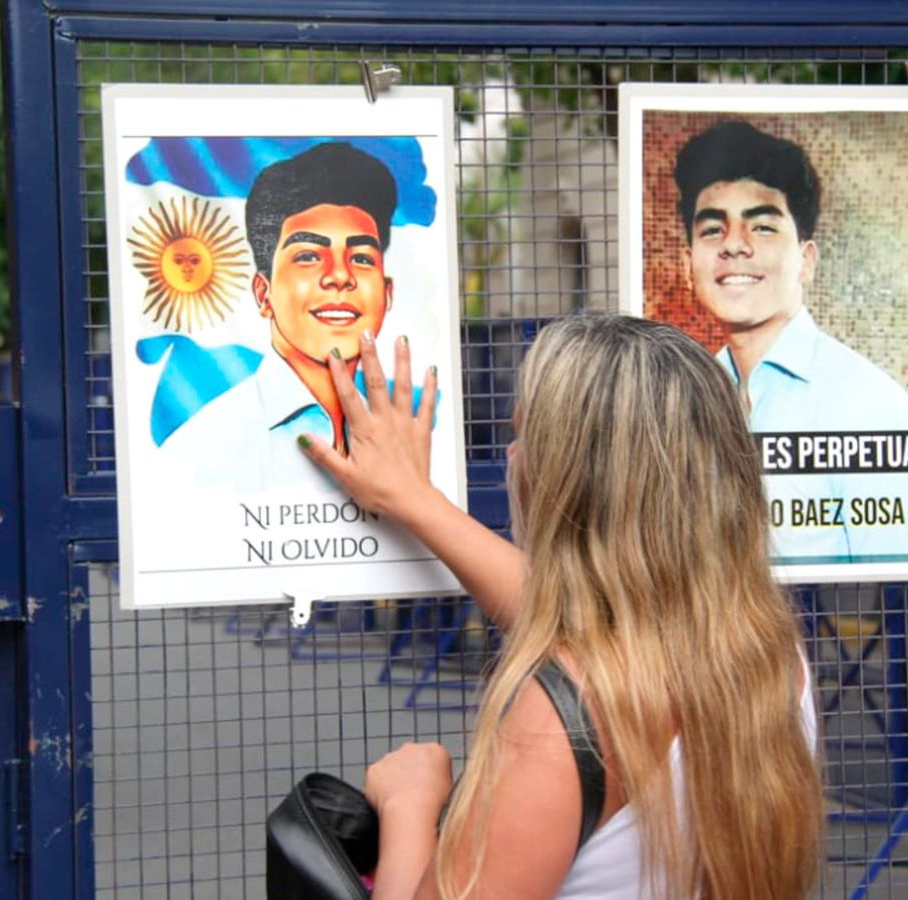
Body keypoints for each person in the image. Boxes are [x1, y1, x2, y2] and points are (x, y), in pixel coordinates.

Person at [299, 316, 823, 899]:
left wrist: (408, 806)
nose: (512, 452)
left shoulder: (562, 722)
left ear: (572, 482)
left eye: (527, 435)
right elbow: (581, 620)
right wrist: (416, 501)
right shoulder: (771, 658)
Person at [673, 119, 908, 564]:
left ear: (806, 261)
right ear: (688, 261)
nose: (734, 246)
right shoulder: (681, 402)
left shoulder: (872, 406)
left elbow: (897, 585)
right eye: (713, 229)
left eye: (763, 227)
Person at [156, 141, 400, 490]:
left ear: (386, 292)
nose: (340, 276)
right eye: (308, 256)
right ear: (263, 293)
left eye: (361, 258)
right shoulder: (196, 457)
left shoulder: (406, 441)